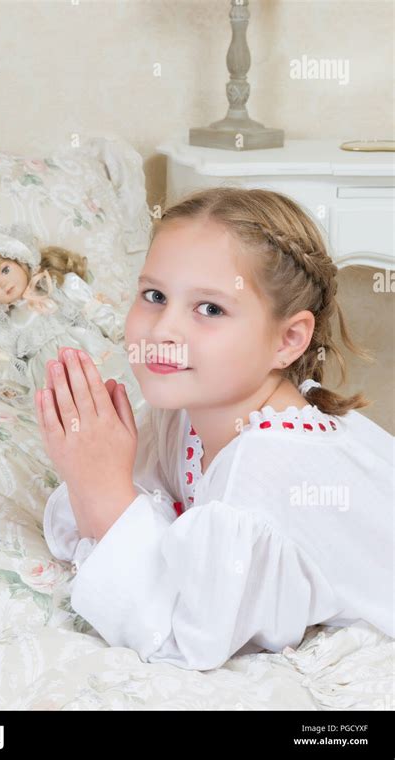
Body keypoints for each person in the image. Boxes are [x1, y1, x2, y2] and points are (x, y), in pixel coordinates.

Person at [36, 187, 394, 671]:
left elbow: (183, 634)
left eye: (210, 309)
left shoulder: (267, 466)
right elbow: (127, 513)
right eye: (155, 295)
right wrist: (91, 466)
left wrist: (101, 489)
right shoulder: (188, 409)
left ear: (288, 340)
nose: (164, 330)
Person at [0, 223, 144, 413]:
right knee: (72, 406)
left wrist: (120, 329)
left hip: (86, 350)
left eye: (5, 270)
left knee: (111, 384)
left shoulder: (56, 287)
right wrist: (7, 381)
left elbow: (92, 309)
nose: (2, 282)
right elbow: (3, 359)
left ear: (21, 261)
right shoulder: (2, 325)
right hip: (51, 372)